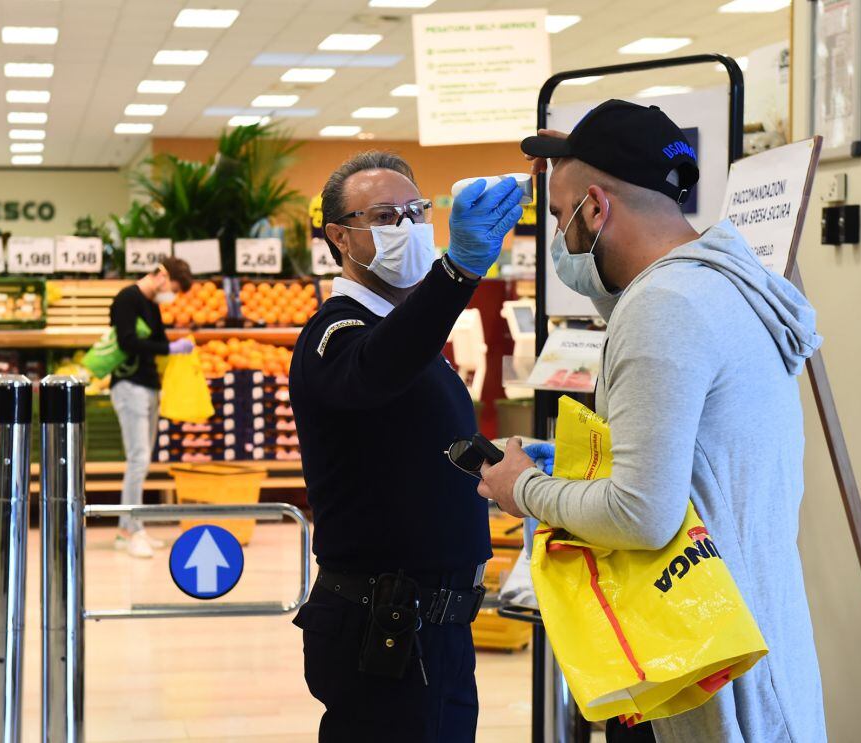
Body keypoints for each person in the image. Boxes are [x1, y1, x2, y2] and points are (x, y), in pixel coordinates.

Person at [477, 100, 826, 743]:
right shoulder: (733, 288)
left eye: (561, 218)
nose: (563, 243)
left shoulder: (662, 305)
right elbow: (697, 465)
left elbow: (643, 514)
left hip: (709, 663)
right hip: (759, 632)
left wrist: (521, 489)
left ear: (597, 208)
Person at [289, 151, 526, 742]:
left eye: (417, 212)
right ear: (339, 235)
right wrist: (458, 272)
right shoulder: (337, 333)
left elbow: (417, 441)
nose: (409, 227)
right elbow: (375, 370)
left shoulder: (410, 336)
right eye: (386, 215)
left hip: (434, 628)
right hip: (382, 628)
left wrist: (507, 461)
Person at [109, 257, 194, 559]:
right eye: (172, 288)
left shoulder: (152, 304)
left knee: (141, 459)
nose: (170, 295)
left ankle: (126, 527)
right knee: (138, 458)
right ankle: (132, 530)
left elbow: (157, 341)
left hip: (148, 386)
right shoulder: (126, 299)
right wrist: (170, 348)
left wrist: (177, 344)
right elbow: (128, 342)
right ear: (161, 275)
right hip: (128, 385)